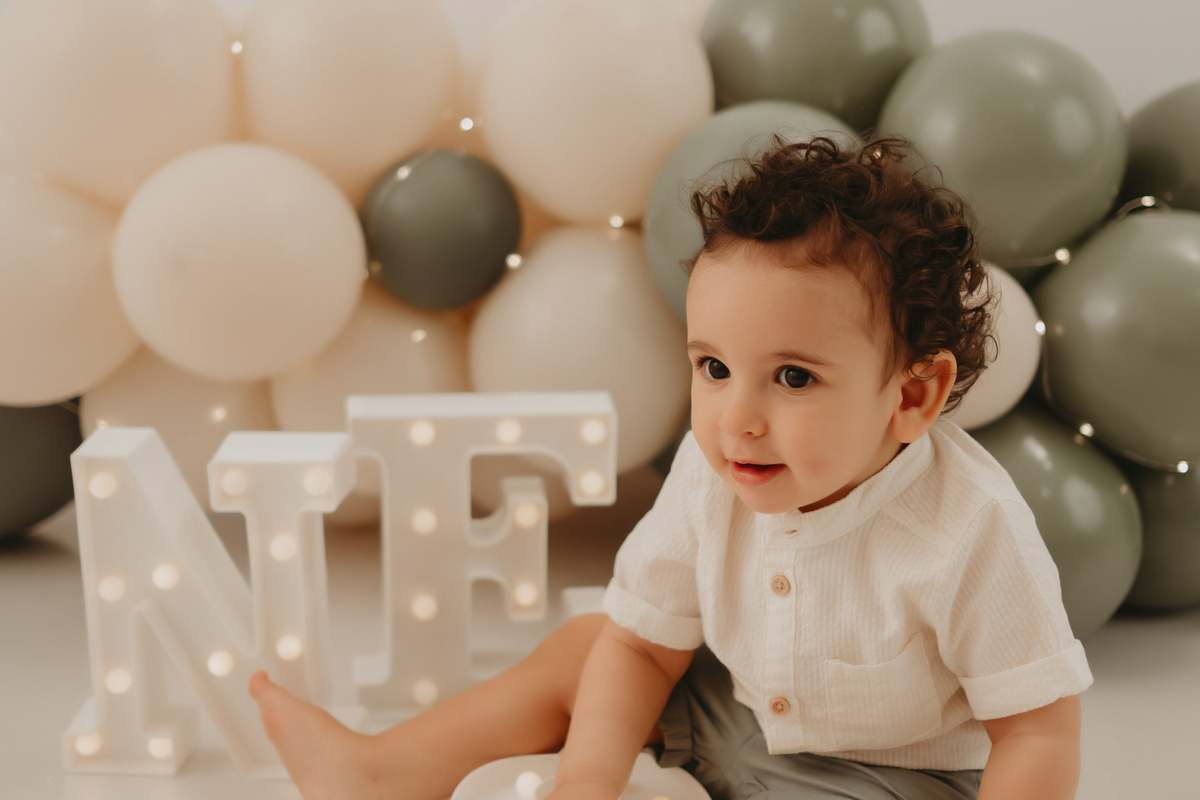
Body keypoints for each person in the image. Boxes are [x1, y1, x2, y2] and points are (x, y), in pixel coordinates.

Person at [249, 136, 1091, 800]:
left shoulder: (967, 528)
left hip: (885, 781)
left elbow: (1038, 732)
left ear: (912, 394)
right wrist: (587, 780)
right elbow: (643, 649)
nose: (738, 418)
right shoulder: (716, 468)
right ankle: (379, 773)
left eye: (793, 378)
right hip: (733, 720)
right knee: (591, 645)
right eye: (713, 368)